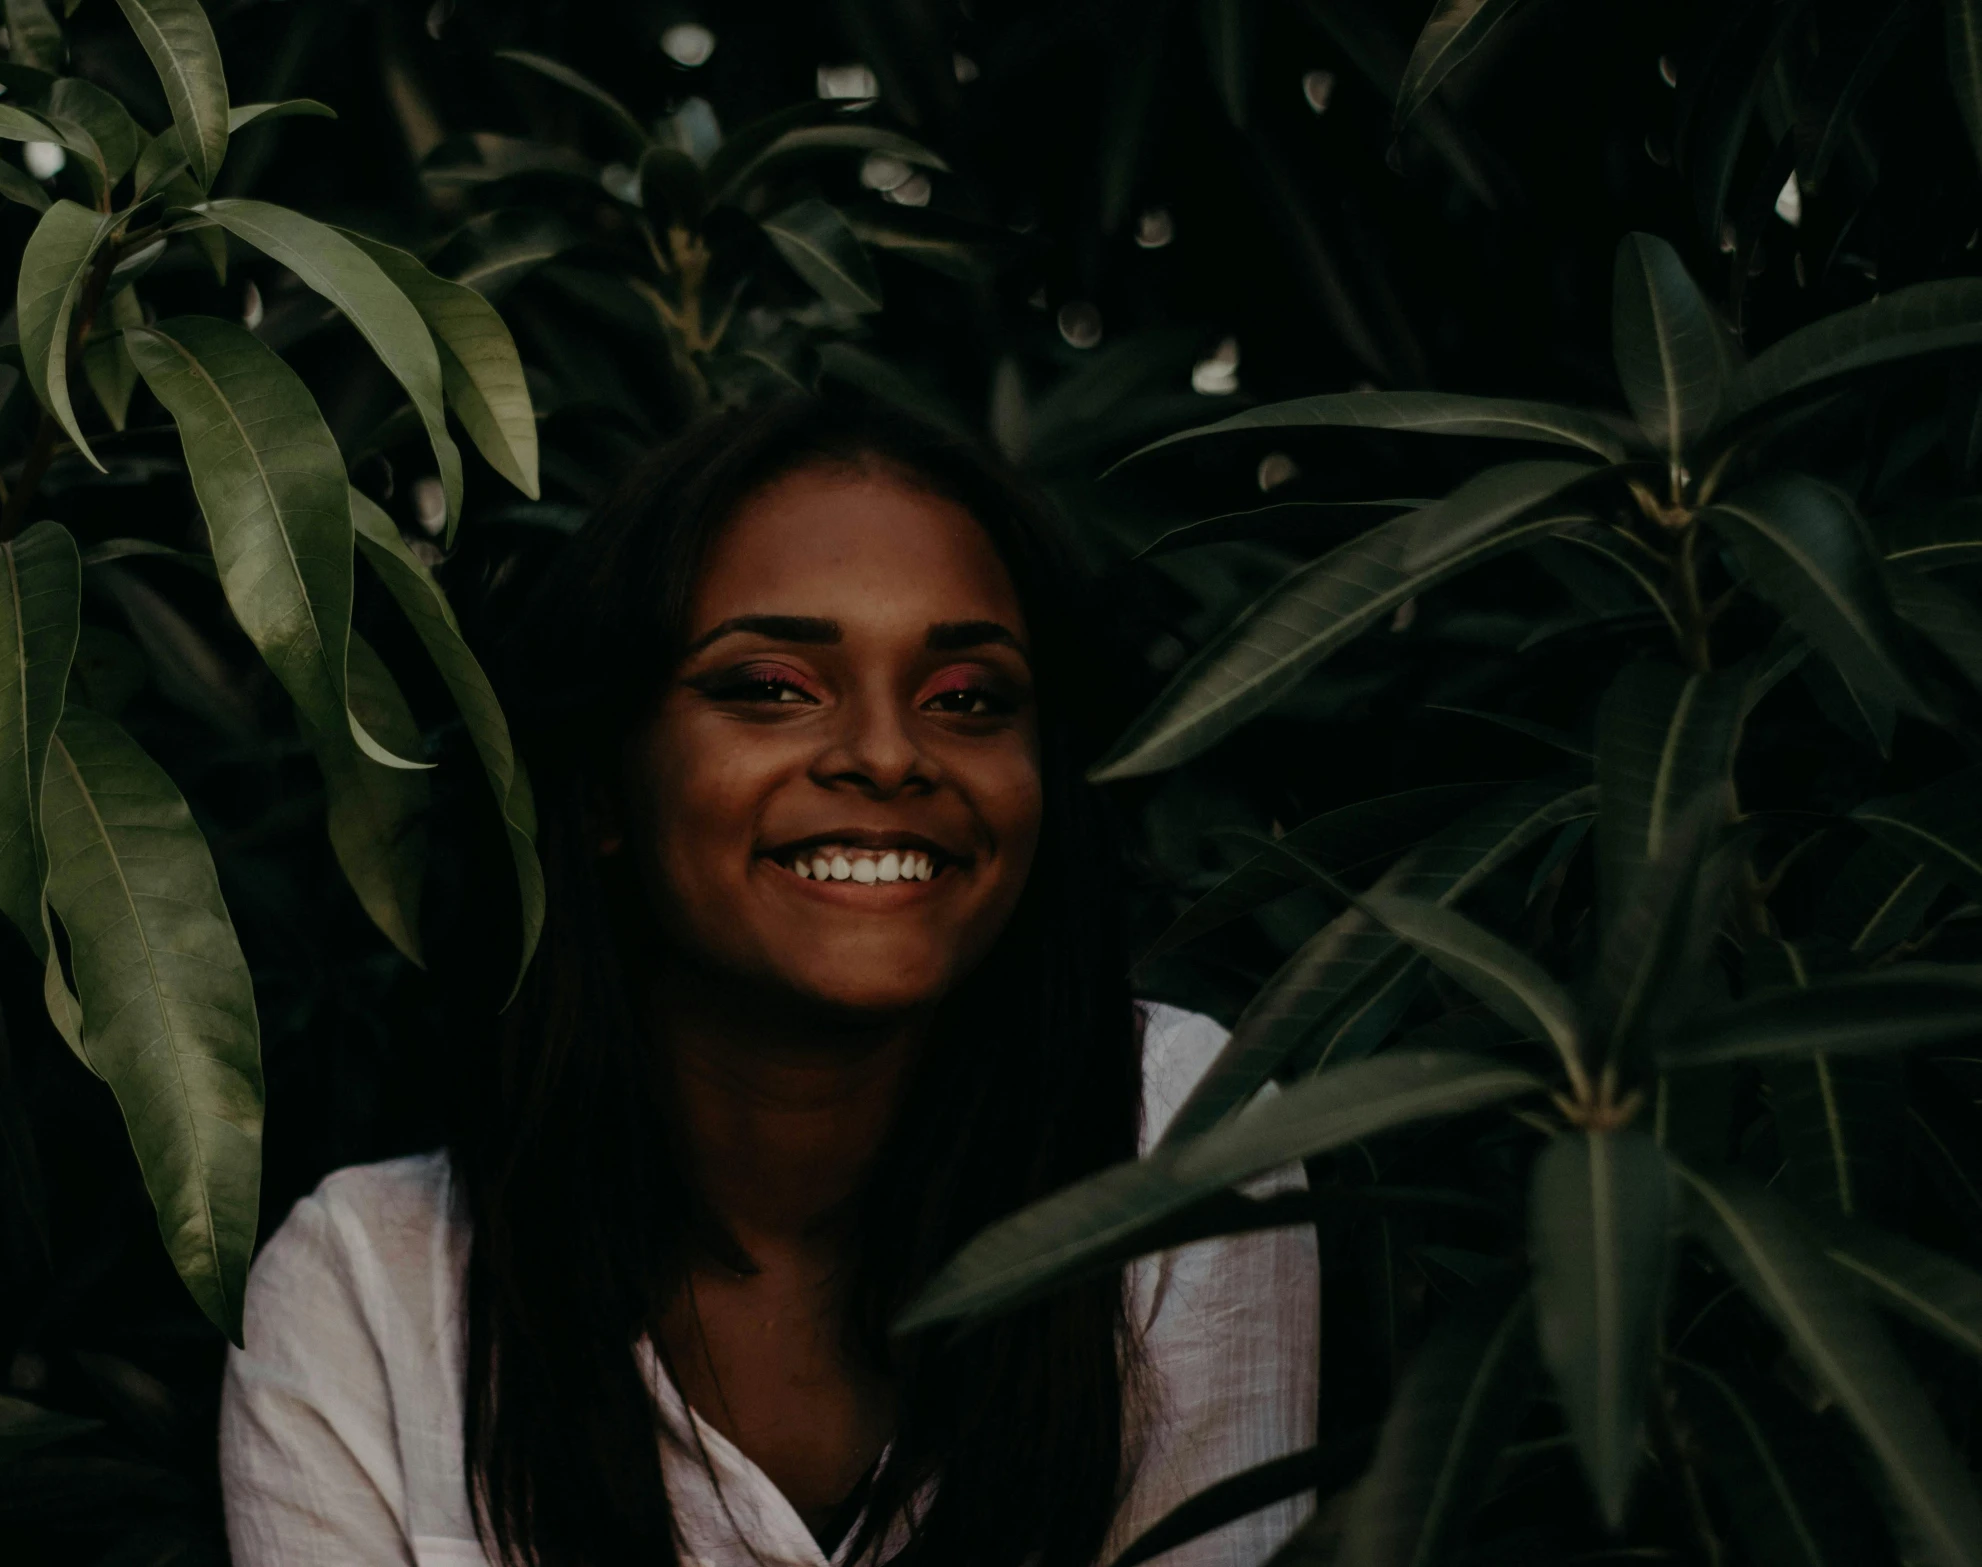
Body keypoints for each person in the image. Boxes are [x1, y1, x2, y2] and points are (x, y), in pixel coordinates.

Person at [218, 397, 1316, 1566]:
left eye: (969, 698)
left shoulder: (1186, 1141)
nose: (889, 753)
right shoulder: (370, 1295)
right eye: (771, 686)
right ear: (600, 790)